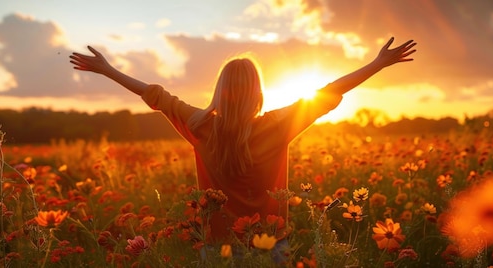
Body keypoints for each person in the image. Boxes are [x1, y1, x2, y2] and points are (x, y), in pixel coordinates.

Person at [69, 37, 416, 245]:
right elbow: (329, 91)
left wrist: (108, 70)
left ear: (219, 91)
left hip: (215, 243)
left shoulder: (199, 125)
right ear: (257, 93)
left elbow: (155, 95)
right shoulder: (278, 126)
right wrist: (377, 64)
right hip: (272, 242)